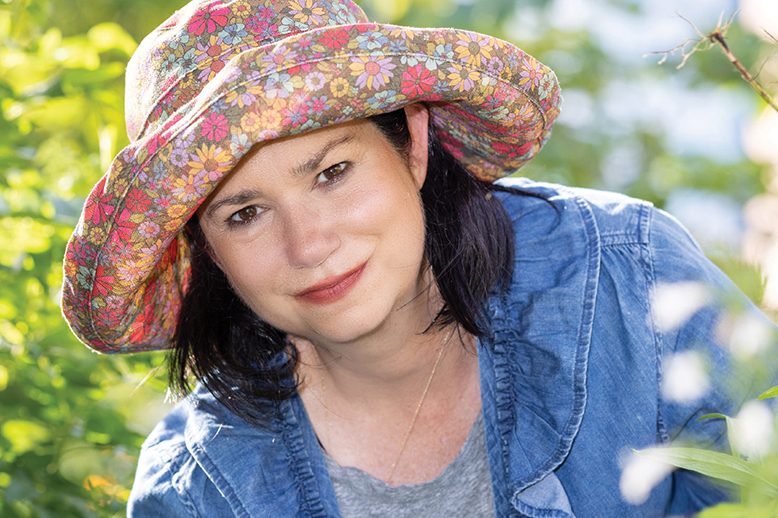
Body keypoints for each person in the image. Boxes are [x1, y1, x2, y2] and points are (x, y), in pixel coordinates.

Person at [61, 0, 777, 516]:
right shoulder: (198, 494)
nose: (309, 246)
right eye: (244, 214)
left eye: (331, 173)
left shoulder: (630, 279)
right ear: (205, 251)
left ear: (413, 141)